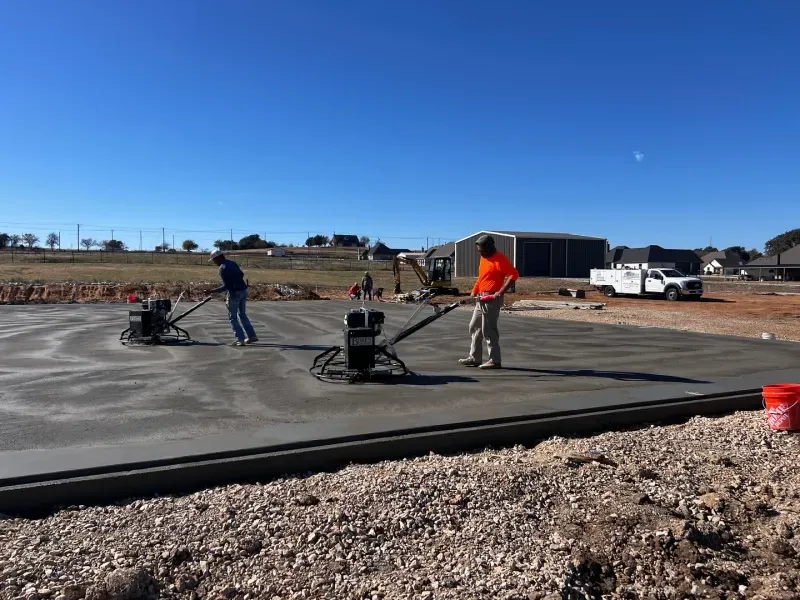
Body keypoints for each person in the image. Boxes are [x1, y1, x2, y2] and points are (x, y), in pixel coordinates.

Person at [458, 234, 518, 369]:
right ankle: (475, 357)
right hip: (480, 298)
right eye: (479, 251)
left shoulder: (500, 259)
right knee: (474, 326)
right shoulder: (484, 259)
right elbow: (481, 278)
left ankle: (495, 360)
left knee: (488, 330)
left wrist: (501, 291)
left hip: (492, 299)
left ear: (490, 247)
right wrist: (474, 291)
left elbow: (514, 274)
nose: (481, 253)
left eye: (483, 250)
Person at [208, 250, 258, 346]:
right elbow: (241, 274)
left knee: (233, 317)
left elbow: (226, 286)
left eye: (214, 260)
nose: (214, 262)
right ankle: (252, 336)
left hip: (235, 293)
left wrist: (212, 291)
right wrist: (238, 282)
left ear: (218, 258)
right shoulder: (232, 263)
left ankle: (240, 339)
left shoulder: (222, 268)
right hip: (243, 291)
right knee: (242, 315)